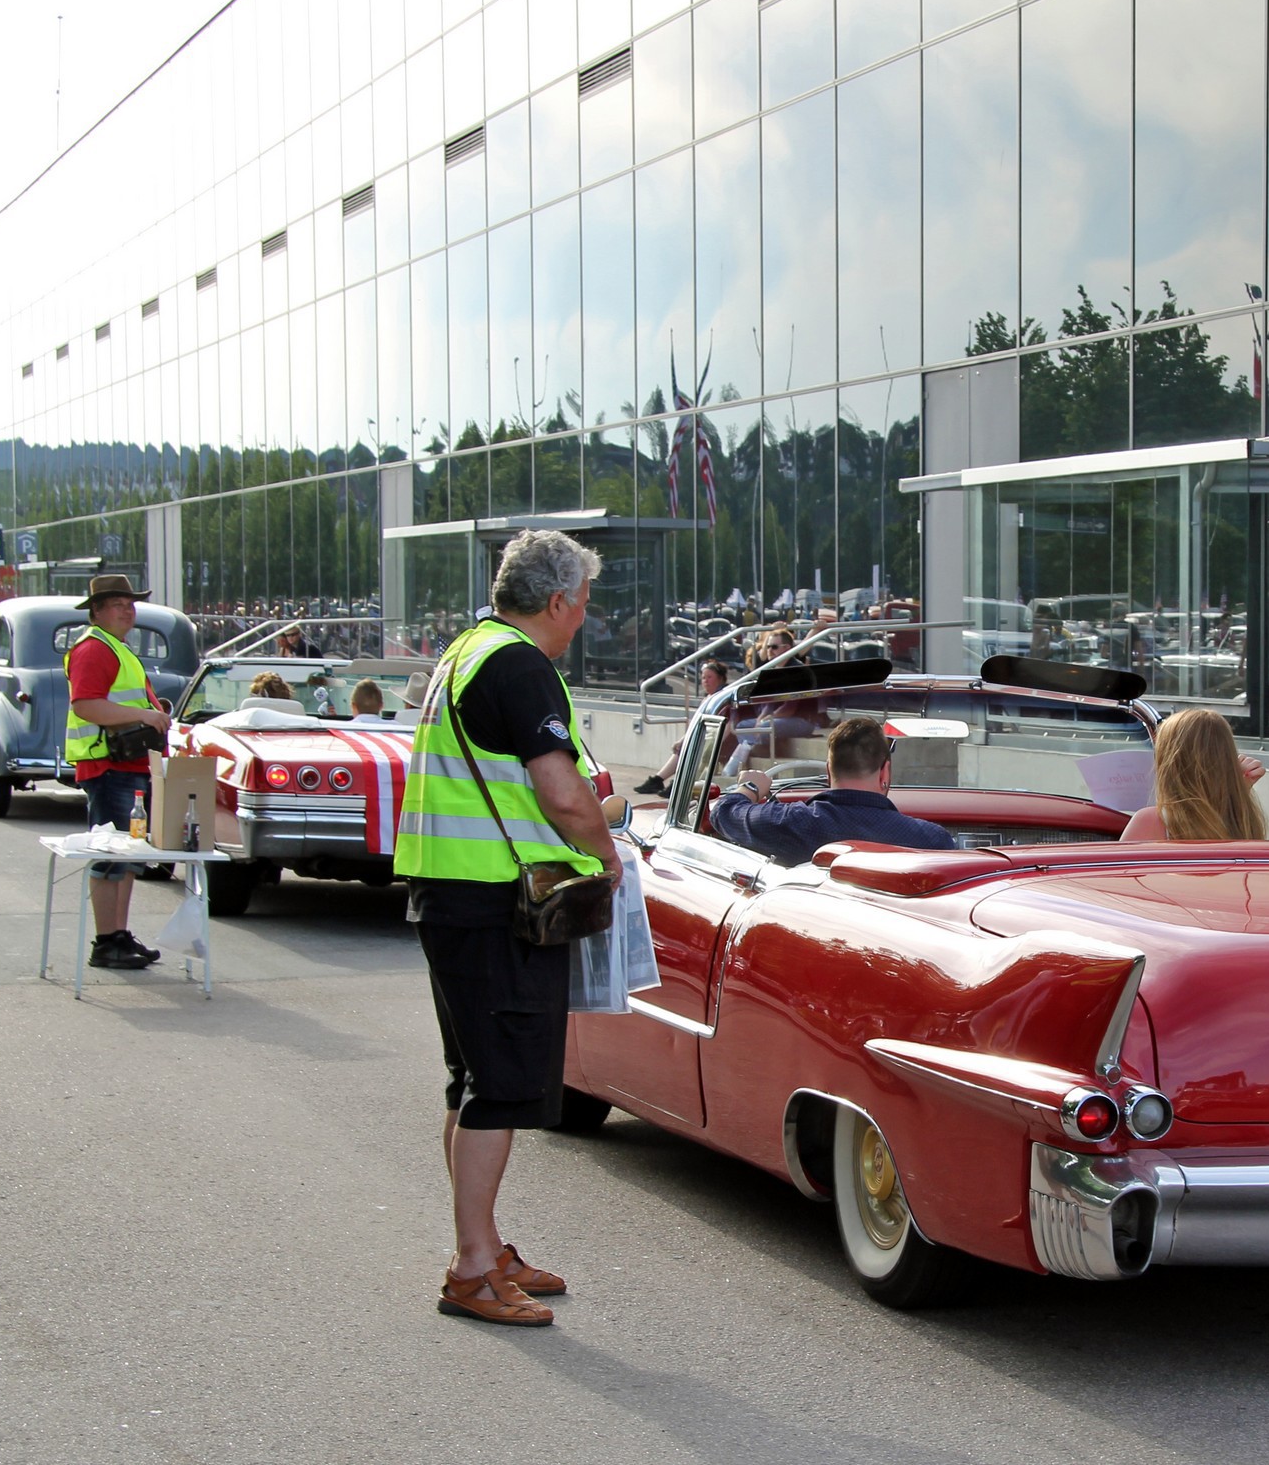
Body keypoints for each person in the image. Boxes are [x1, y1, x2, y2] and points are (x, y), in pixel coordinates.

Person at [395, 529, 620, 1330]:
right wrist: (606, 854)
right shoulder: (521, 665)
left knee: (471, 1080)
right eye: (583, 602)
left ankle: (484, 1247)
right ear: (557, 600)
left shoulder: (467, 650)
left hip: (451, 890)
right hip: (497, 900)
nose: (584, 618)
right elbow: (560, 792)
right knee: (500, 1088)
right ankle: (470, 1268)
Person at [63, 574, 172, 971]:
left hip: (126, 764)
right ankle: (107, 940)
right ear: (96, 611)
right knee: (111, 857)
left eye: (131, 604)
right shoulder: (95, 648)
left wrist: (150, 713)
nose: (128, 611)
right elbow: (86, 705)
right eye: (118, 605)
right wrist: (144, 715)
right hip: (109, 765)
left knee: (126, 858)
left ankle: (118, 936)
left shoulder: (114, 646)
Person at [710, 715, 957, 867]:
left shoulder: (791, 822)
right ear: (885, 773)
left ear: (829, 771)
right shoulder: (932, 840)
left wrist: (751, 787)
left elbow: (724, 811)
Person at [1120, 708, 1269, 842]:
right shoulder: (1244, 820)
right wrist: (1238, 792)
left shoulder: (1151, 821)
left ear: (1169, 762)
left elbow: (1119, 865)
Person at [634, 659, 731, 796]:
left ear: (720, 679)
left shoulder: (724, 698)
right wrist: (682, 740)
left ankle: (677, 782)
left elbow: (727, 725)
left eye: (710, 677)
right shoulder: (707, 699)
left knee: (693, 746)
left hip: (717, 737)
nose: (705, 681)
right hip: (704, 735)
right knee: (683, 746)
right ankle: (658, 780)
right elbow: (696, 724)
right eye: (703, 677)